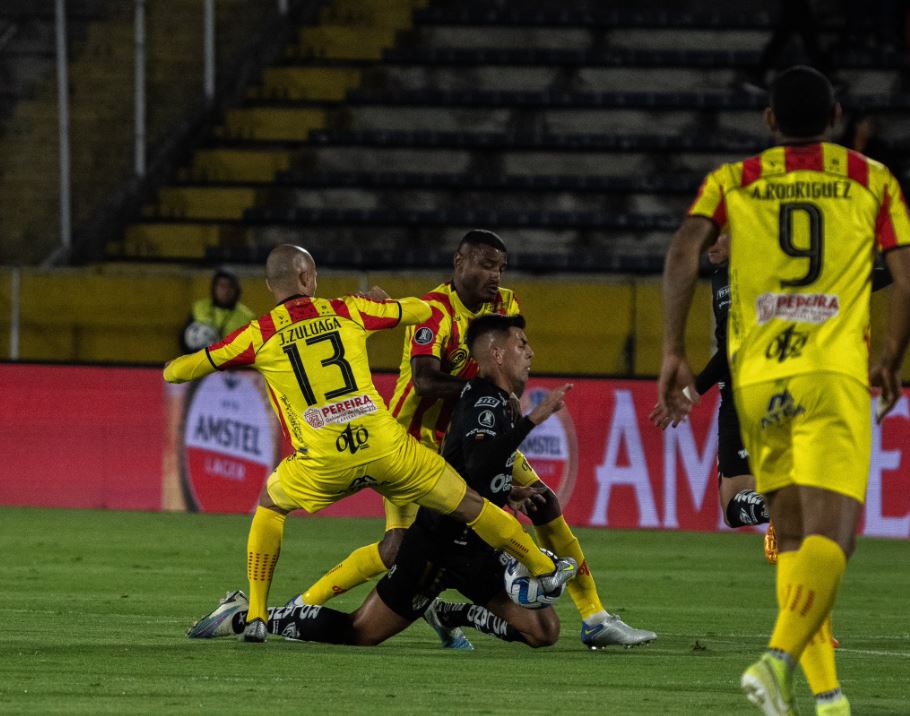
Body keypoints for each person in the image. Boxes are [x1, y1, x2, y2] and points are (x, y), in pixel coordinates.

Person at [164, 244, 578, 643]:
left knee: (271, 507)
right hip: (386, 447)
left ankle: (256, 614)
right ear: (308, 278)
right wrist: (384, 302)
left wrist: (174, 365)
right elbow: (424, 309)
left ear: (271, 286)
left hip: (324, 461)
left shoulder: (256, 334)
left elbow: (181, 372)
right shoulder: (347, 308)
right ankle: (543, 567)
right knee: (471, 505)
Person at [658, 66, 910, 715]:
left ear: (769, 121)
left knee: (790, 538)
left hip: (760, 379)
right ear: (834, 118)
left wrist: (670, 352)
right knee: (837, 535)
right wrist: (890, 355)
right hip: (831, 370)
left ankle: (827, 698)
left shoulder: (734, 182)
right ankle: (776, 660)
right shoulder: (871, 179)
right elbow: (906, 276)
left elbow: (683, 249)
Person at [295, 229, 656, 649]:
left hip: (473, 436)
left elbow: (509, 366)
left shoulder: (506, 305)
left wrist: (501, 404)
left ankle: (594, 616)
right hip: (416, 441)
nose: (495, 276)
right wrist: (479, 393)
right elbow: (425, 381)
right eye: (486, 265)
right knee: (396, 547)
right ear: (459, 262)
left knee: (543, 500)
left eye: (500, 267)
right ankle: (301, 603)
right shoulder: (431, 311)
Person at [650, 233, 775, 560]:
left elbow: (736, 347)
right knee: (734, 509)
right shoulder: (722, 277)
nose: (710, 247)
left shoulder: (748, 274)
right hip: (741, 392)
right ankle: (780, 506)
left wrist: (692, 391)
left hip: (755, 392)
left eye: (720, 237)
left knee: (735, 504)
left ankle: (787, 505)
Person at [180, 267, 255, 352]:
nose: (226, 291)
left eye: (230, 286)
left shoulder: (247, 317)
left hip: (230, 363)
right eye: (222, 286)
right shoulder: (199, 307)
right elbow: (184, 338)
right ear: (214, 288)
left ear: (237, 290)